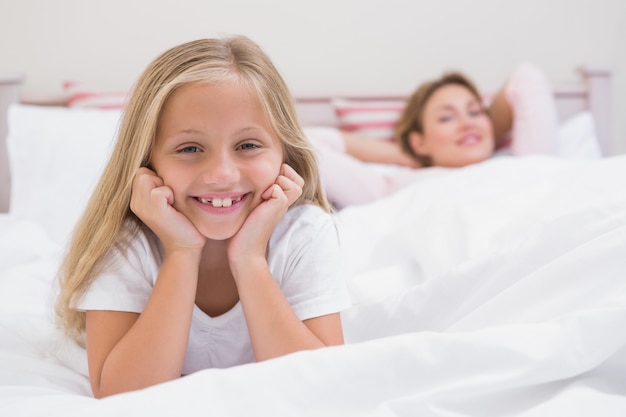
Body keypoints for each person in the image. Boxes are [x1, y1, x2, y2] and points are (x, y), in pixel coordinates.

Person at [54, 35, 351, 398]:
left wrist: (249, 258)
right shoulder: (126, 241)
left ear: (284, 153)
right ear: (147, 163)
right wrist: (181, 252)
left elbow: (323, 390)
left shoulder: (305, 232)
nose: (222, 174)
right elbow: (121, 396)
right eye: (190, 148)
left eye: (247, 145)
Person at [308, 63, 559, 208]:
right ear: (419, 141)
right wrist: (402, 153)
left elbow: (527, 77)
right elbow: (306, 142)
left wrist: (482, 130)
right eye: (446, 118)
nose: (466, 123)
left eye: (474, 111)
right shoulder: (394, 186)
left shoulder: (528, 163)